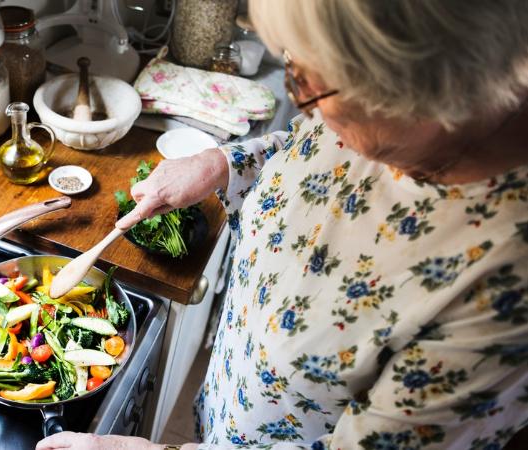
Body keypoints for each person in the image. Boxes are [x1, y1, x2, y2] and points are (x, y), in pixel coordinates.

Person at [37, 0, 528, 448]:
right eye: (292, 66)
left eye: (308, 80)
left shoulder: (506, 290)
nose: (299, 99)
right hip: (233, 410)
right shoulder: (369, 120)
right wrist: (218, 165)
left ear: (427, 91)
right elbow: (307, 145)